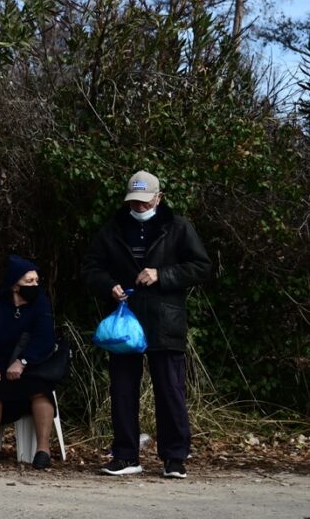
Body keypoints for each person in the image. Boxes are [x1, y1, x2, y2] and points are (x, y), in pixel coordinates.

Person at [82, 170, 211, 479]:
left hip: (165, 319)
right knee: (123, 390)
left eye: (143, 201)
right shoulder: (112, 229)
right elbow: (90, 268)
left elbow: (201, 266)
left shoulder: (178, 227)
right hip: (125, 322)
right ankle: (126, 456)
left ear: (158, 198)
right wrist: (108, 285)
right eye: (133, 202)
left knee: (170, 390)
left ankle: (175, 458)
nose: (138, 207)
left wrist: (162, 275)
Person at [0, 255, 58, 470]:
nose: (35, 285)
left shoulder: (41, 303)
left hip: (32, 366)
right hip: (1, 364)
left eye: (36, 281)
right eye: (29, 281)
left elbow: (45, 338)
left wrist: (23, 361)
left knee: (41, 390)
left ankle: (43, 450)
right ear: (15, 286)